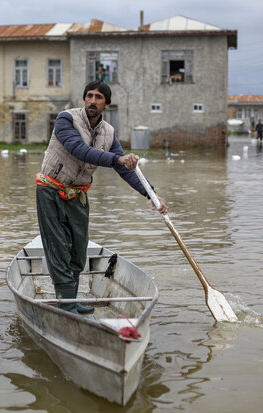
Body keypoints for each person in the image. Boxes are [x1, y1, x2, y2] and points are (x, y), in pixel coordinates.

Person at [35, 80, 168, 315]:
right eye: (89, 96)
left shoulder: (108, 133)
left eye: (98, 97)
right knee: (58, 248)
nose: (92, 101)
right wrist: (117, 159)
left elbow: (126, 169)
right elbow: (79, 149)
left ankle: (72, 301)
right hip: (51, 190)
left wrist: (151, 193)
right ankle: (66, 305)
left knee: (78, 250)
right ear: (84, 98)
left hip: (78, 194)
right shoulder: (66, 119)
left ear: (107, 104)